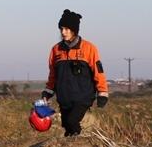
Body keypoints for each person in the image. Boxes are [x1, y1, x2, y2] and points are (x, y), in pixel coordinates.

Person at [41, 9, 108, 137]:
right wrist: (47, 92)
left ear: (74, 30)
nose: (63, 32)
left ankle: (82, 145)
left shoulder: (89, 48)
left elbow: (98, 72)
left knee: (72, 121)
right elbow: (53, 75)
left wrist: (102, 93)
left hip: (83, 96)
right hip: (64, 97)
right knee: (67, 125)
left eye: (66, 29)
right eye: (61, 29)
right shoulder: (56, 50)